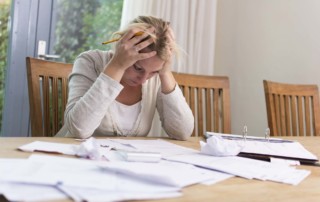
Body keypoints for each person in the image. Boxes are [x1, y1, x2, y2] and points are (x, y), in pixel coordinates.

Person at [56, 16, 194, 140]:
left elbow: (182, 132)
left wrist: (164, 73)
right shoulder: (90, 61)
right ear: (123, 47)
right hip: (73, 160)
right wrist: (117, 66)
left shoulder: (157, 77)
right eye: (138, 68)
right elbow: (78, 129)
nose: (144, 80)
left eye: (154, 72)